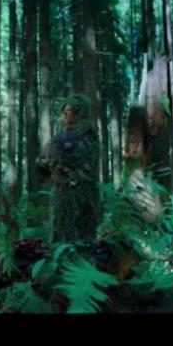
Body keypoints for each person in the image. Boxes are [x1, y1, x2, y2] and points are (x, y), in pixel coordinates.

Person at [37, 94, 101, 243]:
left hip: (82, 191)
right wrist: (46, 162)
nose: (66, 117)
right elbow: (46, 161)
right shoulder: (60, 136)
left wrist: (60, 158)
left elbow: (79, 158)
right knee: (61, 232)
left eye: (69, 112)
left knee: (82, 235)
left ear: (79, 113)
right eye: (64, 113)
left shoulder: (87, 135)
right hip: (63, 190)